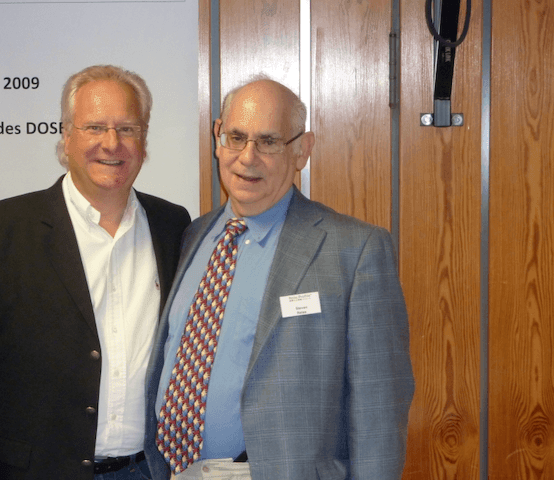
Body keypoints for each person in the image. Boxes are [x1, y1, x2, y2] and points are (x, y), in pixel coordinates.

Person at [144, 78, 415, 479]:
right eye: (236, 137)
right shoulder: (194, 236)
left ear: (302, 151)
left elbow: (379, 409)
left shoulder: (354, 250)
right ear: (218, 137)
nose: (247, 158)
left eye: (268, 142)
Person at [0, 65, 191, 480]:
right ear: (67, 135)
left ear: (144, 139)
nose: (112, 143)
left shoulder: (173, 225)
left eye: (128, 128)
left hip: (150, 470)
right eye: (95, 127)